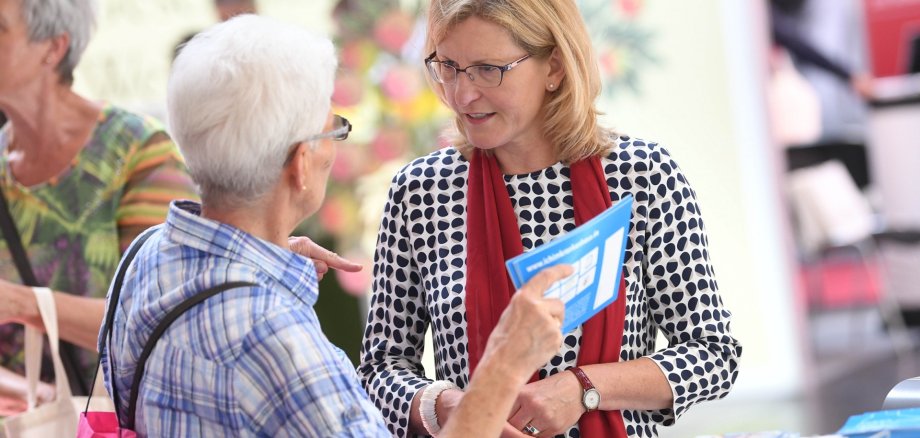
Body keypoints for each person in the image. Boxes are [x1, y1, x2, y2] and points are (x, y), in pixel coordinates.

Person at [101, 14, 572, 437]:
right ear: (301, 163)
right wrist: (504, 367)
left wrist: (264, 255)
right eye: (333, 127)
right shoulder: (279, 339)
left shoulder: (144, 258)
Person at [358, 0, 743, 437]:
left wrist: (584, 389)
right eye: (447, 65)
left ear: (554, 67)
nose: (462, 94)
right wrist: (457, 407)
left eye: (488, 69)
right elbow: (379, 370)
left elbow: (714, 356)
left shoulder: (644, 177)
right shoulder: (421, 192)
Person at [0, 0, 199, 408]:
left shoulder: (137, 151)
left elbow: (164, 314)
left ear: (53, 48)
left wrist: (23, 304)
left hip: (120, 422)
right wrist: (33, 394)